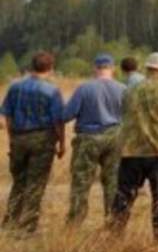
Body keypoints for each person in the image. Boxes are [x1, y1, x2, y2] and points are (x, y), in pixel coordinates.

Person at [109, 52, 158, 240]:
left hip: (131, 151)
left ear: (148, 69)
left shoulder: (130, 91)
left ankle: (113, 235)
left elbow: (124, 114)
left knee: (124, 195)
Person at [1, 52, 65, 234]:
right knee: (36, 184)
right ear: (51, 68)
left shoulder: (15, 87)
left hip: (19, 138)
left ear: (32, 66)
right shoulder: (52, 91)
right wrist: (61, 144)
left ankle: (10, 222)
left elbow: (7, 114)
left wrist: (12, 138)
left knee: (19, 181)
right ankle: (27, 227)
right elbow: (57, 121)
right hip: (42, 139)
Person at [63, 52, 126, 226]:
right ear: (113, 69)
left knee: (81, 183)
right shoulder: (123, 89)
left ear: (95, 68)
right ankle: (114, 223)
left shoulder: (84, 88)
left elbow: (67, 115)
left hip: (88, 139)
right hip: (115, 138)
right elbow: (130, 117)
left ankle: (74, 224)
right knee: (113, 181)